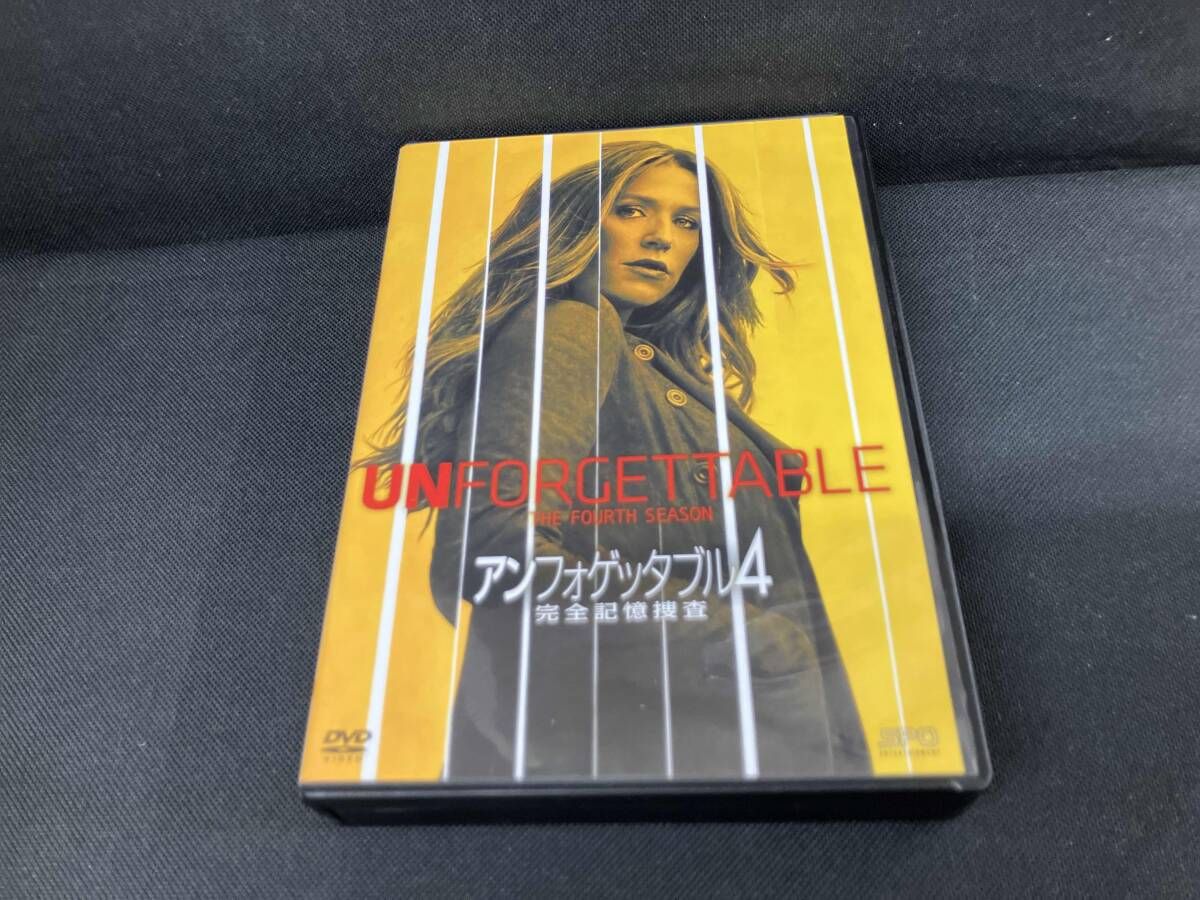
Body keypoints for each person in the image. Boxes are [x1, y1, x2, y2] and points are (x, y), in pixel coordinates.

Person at [362, 139, 871, 780]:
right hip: (651, 749)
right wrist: (748, 643)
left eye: (687, 222)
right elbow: (497, 548)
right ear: (577, 224)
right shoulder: (573, 327)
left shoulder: (657, 371)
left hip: (739, 745)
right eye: (632, 210)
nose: (662, 237)